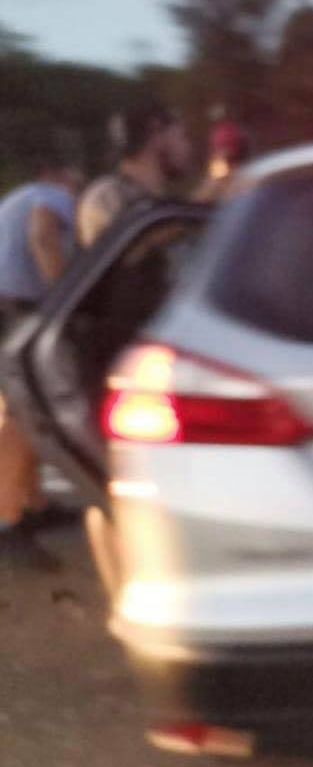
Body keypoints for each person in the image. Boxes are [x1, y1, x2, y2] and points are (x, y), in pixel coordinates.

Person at [0, 148, 82, 572]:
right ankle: (6, 519)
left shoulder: (17, 197)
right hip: (17, 308)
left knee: (25, 407)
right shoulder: (50, 195)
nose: (79, 181)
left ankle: (34, 504)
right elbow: (42, 235)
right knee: (23, 413)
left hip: (7, 307)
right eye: (75, 172)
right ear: (57, 171)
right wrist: (66, 301)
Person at [78, 103, 192, 247]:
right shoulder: (106, 196)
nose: (188, 147)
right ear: (157, 136)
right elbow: (131, 249)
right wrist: (198, 206)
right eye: (183, 136)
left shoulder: (159, 201)